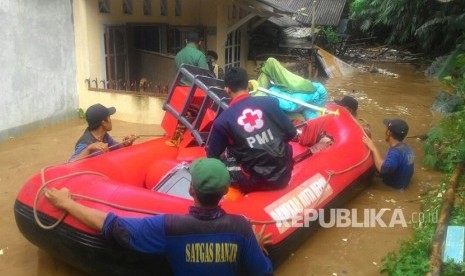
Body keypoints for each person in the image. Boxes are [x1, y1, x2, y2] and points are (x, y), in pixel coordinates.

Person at [44, 158, 273, 275]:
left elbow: (110, 225)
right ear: (226, 192)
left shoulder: (168, 226)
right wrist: (255, 244)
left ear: (191, 189)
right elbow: (264, 271)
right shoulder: (241, 229)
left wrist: (66, 203)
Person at [207, 67, 297, 193]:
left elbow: (212, 157)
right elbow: (291, 133)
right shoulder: (271, 103)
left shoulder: (223, 121)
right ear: (248, 85)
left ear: (226, 89)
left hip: (256, 182)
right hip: (284, 175)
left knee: (224, 158)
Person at [69, 104, 138, 162]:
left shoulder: (104, 136)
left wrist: (126, 143)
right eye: (109, 117)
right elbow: (70, 165)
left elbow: (116, 148)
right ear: (104, 123)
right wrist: (89, 149)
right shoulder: (84, 143)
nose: (111, 120)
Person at [363, 118, 414, 190]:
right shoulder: (407, 148)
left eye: (386, 129)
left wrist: (373, 148)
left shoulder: (395, 153)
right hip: (401, 183)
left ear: (389, 133)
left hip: (393, 188)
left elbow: (382, 171)